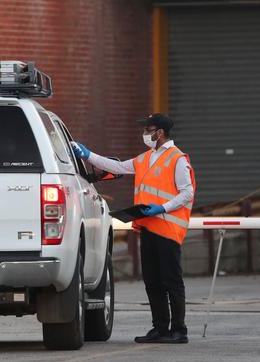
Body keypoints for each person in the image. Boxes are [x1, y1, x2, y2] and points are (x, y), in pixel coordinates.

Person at [72, 113, 195, 344]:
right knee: (153, 282)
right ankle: (160, 328)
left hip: (167, 229)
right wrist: (88, 155)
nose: (145, 134)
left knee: (171, 281)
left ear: (159, 133)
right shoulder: (147, 158)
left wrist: (161, 208)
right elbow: (117, 167)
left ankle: (179, 330)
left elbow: (187, 193)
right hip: (148, 227)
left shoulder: (177, 159)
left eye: (148, 130)